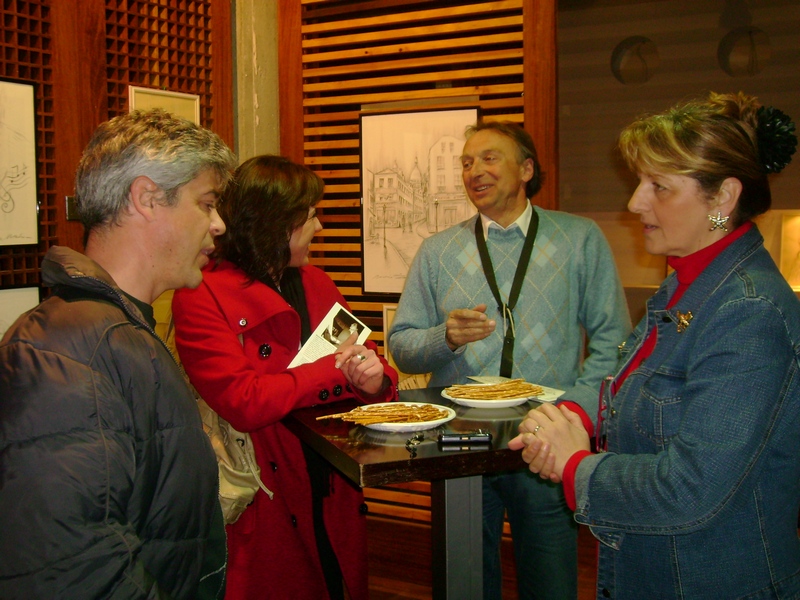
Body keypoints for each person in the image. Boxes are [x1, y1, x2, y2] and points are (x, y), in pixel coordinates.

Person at [509, 91, 800, 599]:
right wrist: (571, 416)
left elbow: (690, 487)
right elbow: (630, 387)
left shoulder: (747, 311)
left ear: (723, 199)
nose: (634, 202)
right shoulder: (684, 285)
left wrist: (575, 464)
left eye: (658, 187)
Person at [388, 120, 631, 599]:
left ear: (526, 169)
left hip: (544, 441)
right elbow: (402, 344)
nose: (474, 170)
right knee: (465, 582)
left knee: (550, 580)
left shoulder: (579, 239)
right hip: (458, 444)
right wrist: (446, 338)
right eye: (466, 162)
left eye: (489, 158)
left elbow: (613, 343)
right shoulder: (437, 251)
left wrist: (570, 415)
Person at [0, 109, 237, 598]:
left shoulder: (117, 333)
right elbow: (73, 568)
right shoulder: (65, 351)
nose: (218, 225)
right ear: (147, 198)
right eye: (207, 203)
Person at [170, 154, 399, 600]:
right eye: (311, 216)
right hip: (264, 491)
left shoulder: (316, 281)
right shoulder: (201, 295)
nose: (320, 228)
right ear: (276, 224)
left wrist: (374, 378)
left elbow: (371, 362)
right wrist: (332, 371)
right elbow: (244, 400)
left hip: (334, 478)